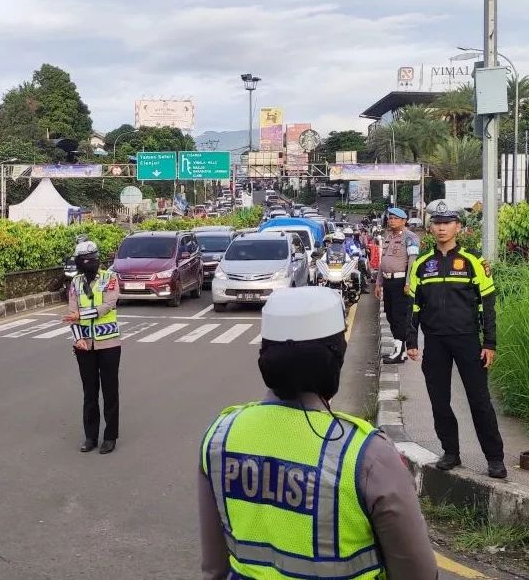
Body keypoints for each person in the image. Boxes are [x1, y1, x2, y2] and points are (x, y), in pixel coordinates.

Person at [198, 287, 438, 580]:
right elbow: (419, 573)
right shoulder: (367, 455)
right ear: (336, 359)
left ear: (265, 356)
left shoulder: (220, 437)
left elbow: (214, 567)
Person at [406, 204, 505, 478]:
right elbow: (413, 305)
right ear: (431, 227)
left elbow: (488, 304)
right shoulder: (423, 264)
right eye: (437, 222)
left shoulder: (474, 261)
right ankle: (451, 452)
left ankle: (495, 459)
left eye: (447, 222)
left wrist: (490, 343)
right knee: (439, 401)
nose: (441, 227)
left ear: (458, 227)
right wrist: (411, 340)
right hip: (435, 342)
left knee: (480, 401)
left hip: (468, 341)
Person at [62, 240, 120, 454]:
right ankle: (90, 436)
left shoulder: (110, 278)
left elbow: (107, 306)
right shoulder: (75, 283)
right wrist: (77, 338)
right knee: (89, 393)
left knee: (110, 391)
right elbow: (71, 313)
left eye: (91, 259)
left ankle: (110, 436)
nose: (88, 263)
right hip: (84, 345)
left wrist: (81, 315)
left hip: (109, 344)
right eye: (83, 260)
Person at [375, 208, 420, 363]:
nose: (391, 220)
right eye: (390, 218)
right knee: (390, 315)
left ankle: (399, 351)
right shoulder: (388, 237)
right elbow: (383, 262)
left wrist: (408, 282)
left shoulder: (410, 237)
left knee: (400, 317)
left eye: (395, 218)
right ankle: (399, 350)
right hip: (388, 282)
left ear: (403, 220)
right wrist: (378, 283)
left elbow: (413, 263)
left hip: (401, 282)